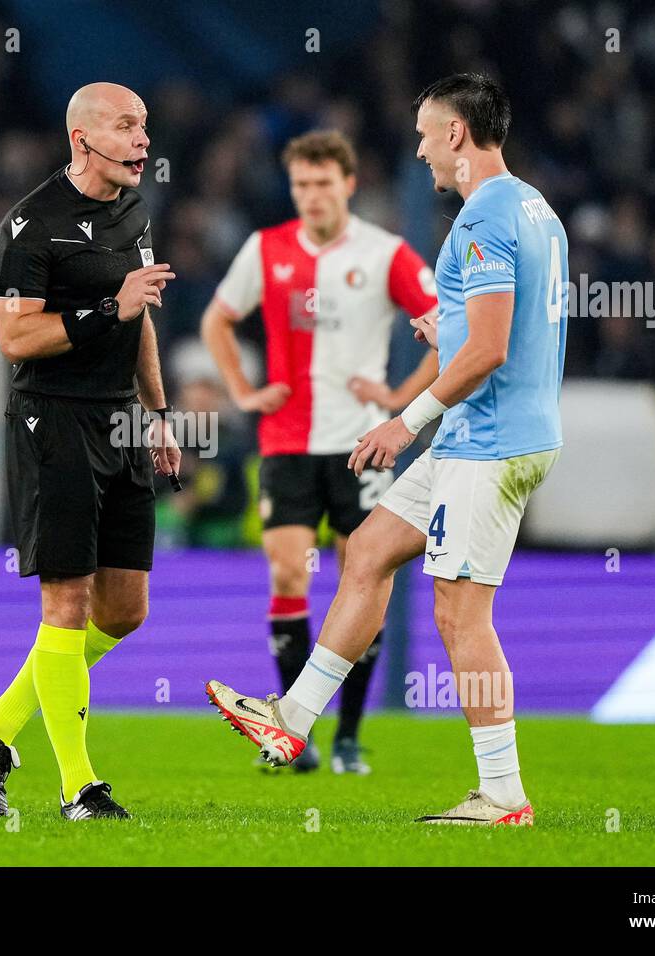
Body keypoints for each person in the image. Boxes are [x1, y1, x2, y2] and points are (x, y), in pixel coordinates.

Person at [207, 73, 568, 826]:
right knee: (367, 550)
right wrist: (447, 348)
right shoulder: (536, 208)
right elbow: (500, 330)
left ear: (457, 135)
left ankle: (503, 794)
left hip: (490, 443)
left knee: (461, 615)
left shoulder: (482, 219)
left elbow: (493, 348)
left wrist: (407, 419)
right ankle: (292, 719)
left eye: (426, 132)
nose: (419, 147)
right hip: (482, 433)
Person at [0, 82, 180, 821]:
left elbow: (139, 317)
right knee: (68, 603)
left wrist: (159, 413)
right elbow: (15, 338)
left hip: (119, 421)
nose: (144, 140)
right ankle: (79, 788)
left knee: (125, 609)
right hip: (54, 420)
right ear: (82, 138)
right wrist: (107, 308)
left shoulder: (134, 211)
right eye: (127, 126)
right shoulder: (30, 225)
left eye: (145, 126)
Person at [199, 130, 439, 774]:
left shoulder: (385, 253)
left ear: (348, 185)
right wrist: (244, 391)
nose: (310, 196)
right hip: (285, 441)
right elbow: (217, 320)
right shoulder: (266, 248)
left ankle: (350, 735)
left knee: (363, 580)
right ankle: (293, 733)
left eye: (322, 183)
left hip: (361, 444)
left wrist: (398, 399)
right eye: (300, 184)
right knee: (287, 575)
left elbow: (452, 333)